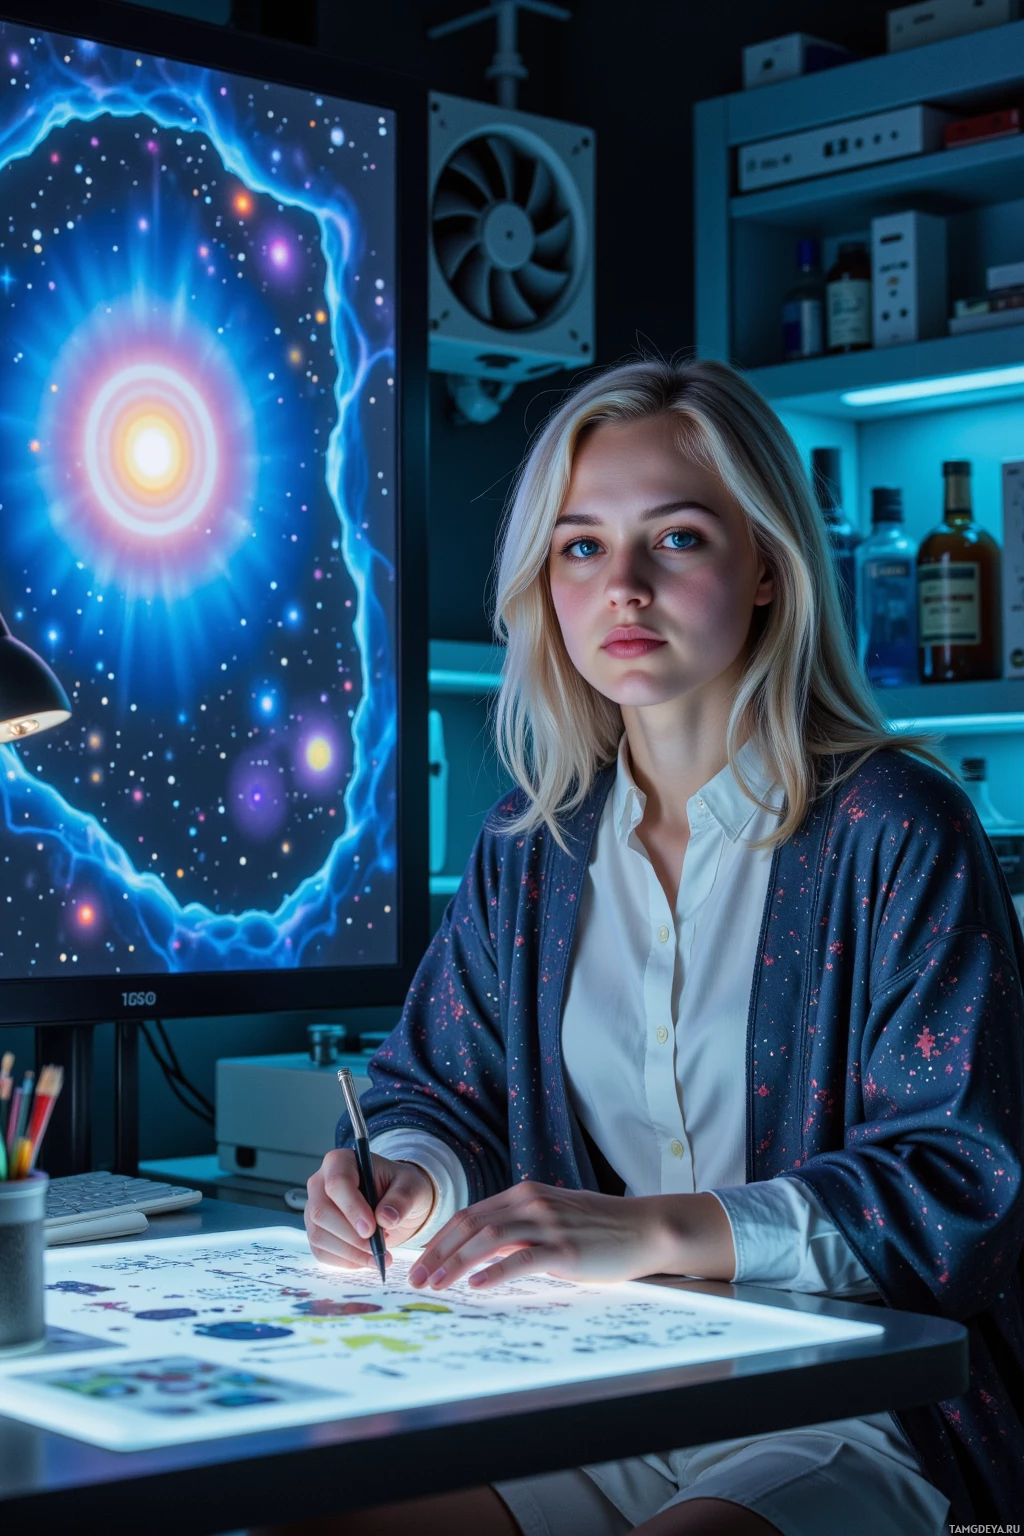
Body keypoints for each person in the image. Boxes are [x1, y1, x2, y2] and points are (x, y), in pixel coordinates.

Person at [270, 358, 1024, 1536]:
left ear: (767, 566)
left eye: (672, 539)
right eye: (579, 547)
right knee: (318, 1513)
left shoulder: (896, 825)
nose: (620, 587)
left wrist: (647, 1232)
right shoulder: (532, 848)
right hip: (597, 1384)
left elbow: (956, 1185)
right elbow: (437, 1090)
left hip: (849, 1405)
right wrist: (409, 1179)